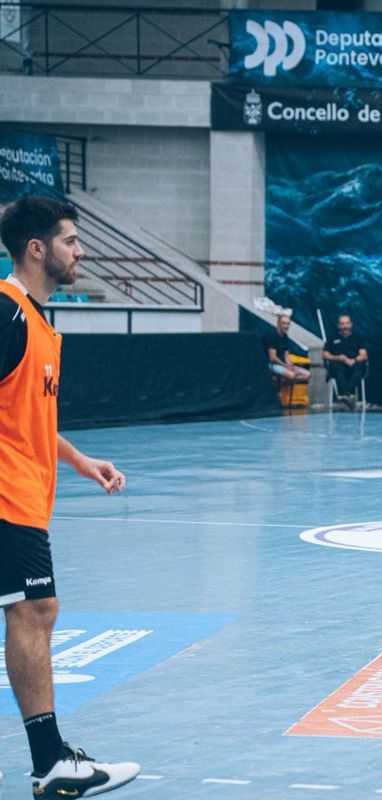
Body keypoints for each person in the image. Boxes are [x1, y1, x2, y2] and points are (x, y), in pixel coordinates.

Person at [0, 195, 140, 796]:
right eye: (70, 241)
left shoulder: (35, 321)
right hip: (6, 498)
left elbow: (23, 415)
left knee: (36, 612)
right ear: (38, 249)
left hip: (25, 494)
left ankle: (50, 759)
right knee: (35, 612)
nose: (80, 251)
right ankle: (50, 763)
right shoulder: (6, 315)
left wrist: (79, 460)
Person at [322, 314, 368, 408]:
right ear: (338, 325)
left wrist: (353, 360)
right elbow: (325, 354)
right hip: (338, 362)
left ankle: (344, 395)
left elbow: (364, 355)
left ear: (351, 324)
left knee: (358, 369)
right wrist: (338, 357)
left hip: (353, 363)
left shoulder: (357, 338)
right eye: (342, 324)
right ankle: (348, 396)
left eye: (347, 323)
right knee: (337, 369)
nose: (345, 326)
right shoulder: (332, 338)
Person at [263, 312, 310, 387]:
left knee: (307, 374)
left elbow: (286, 357)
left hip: (283, 364)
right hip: (271, 365)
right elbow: (273, 358)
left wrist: (291, 366)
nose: (286, 326)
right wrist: (285, 366)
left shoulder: (285, 337)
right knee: (292, 375)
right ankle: (276, 381)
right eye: (284, 323)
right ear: (278, 324)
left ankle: (280, 381)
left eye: (288, 324)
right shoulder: (272, 336)